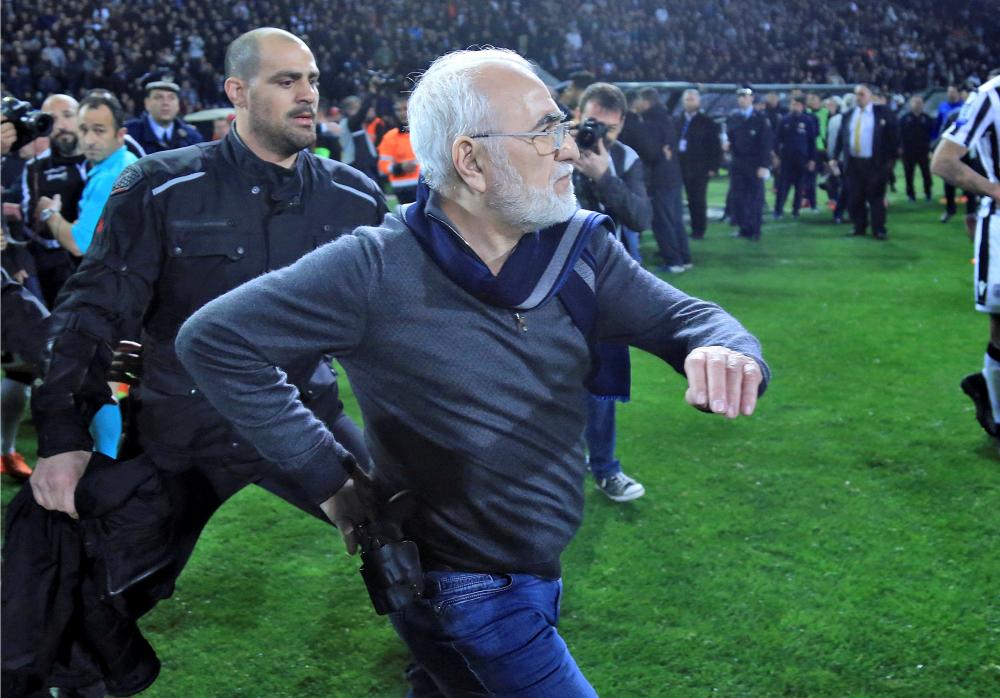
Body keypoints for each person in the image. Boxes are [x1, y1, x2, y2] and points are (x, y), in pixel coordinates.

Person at [175, 47, 770, 696]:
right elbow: (217, 341)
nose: (569, 150)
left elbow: (686, 318)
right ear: (472, 161)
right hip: (462, 588)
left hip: (535, 565)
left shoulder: (577, 247)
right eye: (545, 131)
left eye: (564, 128)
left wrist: (725, 349)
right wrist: (327, 475)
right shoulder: (374, 267)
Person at [25, 27, 386, 691]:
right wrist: (62, 435)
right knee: (95, 588)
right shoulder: (161, 185)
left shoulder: (355, 197)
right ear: (236, 93)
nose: (307, 95)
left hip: (303, 418)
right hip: (181, 428)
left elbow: (387, 330)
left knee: (418, 544)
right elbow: (93, 310)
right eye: (286, 82)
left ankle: (454, 663)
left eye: (310, 80)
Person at [571, 82, 652, 502]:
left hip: (602, 282)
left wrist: (604, 177)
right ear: (577, 114)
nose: (599, 137)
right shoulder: (549, 147)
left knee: (600, 383)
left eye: (610, 130)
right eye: (593, 125)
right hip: (542, 281)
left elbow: (640, 218)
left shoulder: (624, 159)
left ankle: (604, 467)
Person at [931, 72, 1000, 438]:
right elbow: (943, 161)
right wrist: (994, 190)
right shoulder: (991, 96)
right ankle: (996, 412)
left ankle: (986, 390)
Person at [36, 93, 138, 259]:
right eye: (83, 130)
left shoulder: (111, 176)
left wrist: (49, 213)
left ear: (120, 135)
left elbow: (79, 245)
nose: (89, 140)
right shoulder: (124, 161)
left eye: (99, 131)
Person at [19, 93, 85, 308]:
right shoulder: (35, 168)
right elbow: (31, 223)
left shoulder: (108, 159)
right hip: (57, 266)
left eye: (67, 115)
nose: (62, 125)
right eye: (53, 119)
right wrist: (45, 216)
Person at [829, 84, 898, 240]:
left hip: (875, 163)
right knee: (855, 197)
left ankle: (879, 229)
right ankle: (859, 226)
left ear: (870, 96)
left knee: (876, 198)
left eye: (861, 94)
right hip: (853, 163)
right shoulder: (849, 115)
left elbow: (893, 137)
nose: (858, 97)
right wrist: (834, 157)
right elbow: (842, 138)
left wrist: (890, 160)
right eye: (856, 94)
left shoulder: (882, 113)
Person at [635, 87, 689, 271]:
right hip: (673, 175)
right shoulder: (667, 119)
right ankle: (685, 257)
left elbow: (651, 153)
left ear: (646, 101)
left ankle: (673, 261)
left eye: (639, 100)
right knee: (676, 220)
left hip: (659, 178)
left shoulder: (649, 123)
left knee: (663, 221)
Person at [726, 85, 772, 240]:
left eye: (745, 96)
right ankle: (744, 228)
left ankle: (755, 230)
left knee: (755, 198)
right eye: (740, 96)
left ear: (752, 98)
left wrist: (764, 165)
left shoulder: (760, 119)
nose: (742, 99)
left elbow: (766, 144)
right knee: (739, 198)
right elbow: (730, 139)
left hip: (755, 165)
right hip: (738, 164)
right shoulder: (733, 118)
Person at [677, 88, 722, 240]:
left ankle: (699, 229)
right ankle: (686, 228)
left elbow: (715, 146)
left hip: (699, 167)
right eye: (687, 99)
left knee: (698, 199)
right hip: (680, 166)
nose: (689, 102)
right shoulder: (678, 120)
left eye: (692, 99)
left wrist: (713, 167)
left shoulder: (706, 122)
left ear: (698, 102)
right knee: (682, 199)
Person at [123, 80, 204, 154]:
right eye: (158, 97)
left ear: (178, 105)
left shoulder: (191, 137)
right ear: (147, 103)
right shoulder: (129, 135)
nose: (165, 103)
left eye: (171, 98)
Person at [773, 95, 817, 219]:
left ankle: (796, 211)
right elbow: (777, 139)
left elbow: (812, 142)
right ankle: (778, 210)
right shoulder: (784, 120)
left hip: (802, 159)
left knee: (799, 187)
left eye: (797, 104)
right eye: (793, 104)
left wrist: (812, 159)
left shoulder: (808, 121)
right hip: (786, 159)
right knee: (782, 186)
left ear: (802, 106)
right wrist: (776, 155)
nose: (794, 107)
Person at [377, 94, 420, 204]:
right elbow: (383, 167)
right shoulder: (389, 137)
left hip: (427, 184)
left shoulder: (425, 132)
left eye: (405, 108)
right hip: (403, 188)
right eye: (398, 110)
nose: (402, 113)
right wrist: (400, 167)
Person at [899, 95, 934, 202]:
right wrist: (900, 148)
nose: (917, 105)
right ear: (910, 104)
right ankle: (910, 195)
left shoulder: (927, 118)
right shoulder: (905, 119)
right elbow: (899, 134)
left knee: (926, 173)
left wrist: (931, 148)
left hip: (923, 151)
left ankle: (928, 193)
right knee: (909, 174)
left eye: (919, 103)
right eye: (915, 102)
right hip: (908, 151)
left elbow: (932, 135)